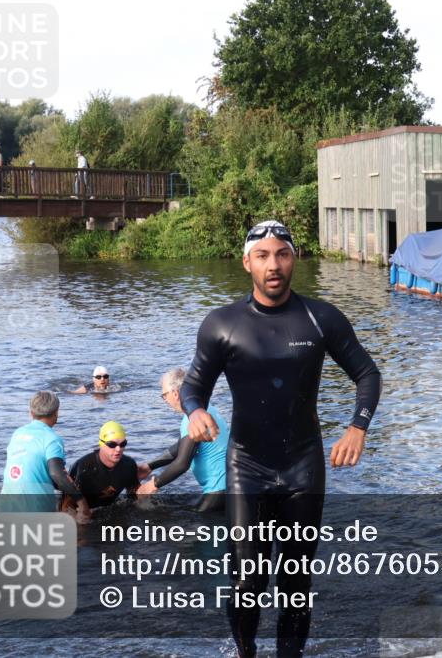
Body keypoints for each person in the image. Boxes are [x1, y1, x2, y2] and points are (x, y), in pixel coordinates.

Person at [179, 220, 382, 658]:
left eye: (283, 254)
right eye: (264, 256)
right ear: (247, 262)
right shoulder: (222, 324)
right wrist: (194, 411)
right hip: (246, 465)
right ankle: (244, 649)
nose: (274, 265)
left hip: (302, 465)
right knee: (247, 579)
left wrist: (357, 426)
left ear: (295, 258)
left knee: (296, 579)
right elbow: (193, 385)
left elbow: (367, 373)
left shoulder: (321, 317)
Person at [136, 368, 229, 512]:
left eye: (164, 395)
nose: (165, 400)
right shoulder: (203, 409)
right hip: (227, 486)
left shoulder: (191, 419)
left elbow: (182, 464)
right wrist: (150, 466)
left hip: (219, 490)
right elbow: (181, 446)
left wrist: (152, 485)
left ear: (175, 393)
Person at [0, 390, 89, 519]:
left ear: (31, 413)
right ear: (56, 413)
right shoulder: (51, 438)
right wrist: (82, 502)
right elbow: (56, 474)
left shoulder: (17, 434)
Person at [65, 421, 139, 511]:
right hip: (85, 512)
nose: (118, 449)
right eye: (112, 444)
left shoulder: (129, 465)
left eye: (123, 444)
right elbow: (66, 505)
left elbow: (134, 497)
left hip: (111, 509)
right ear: (101, 444)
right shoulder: (83, 468)